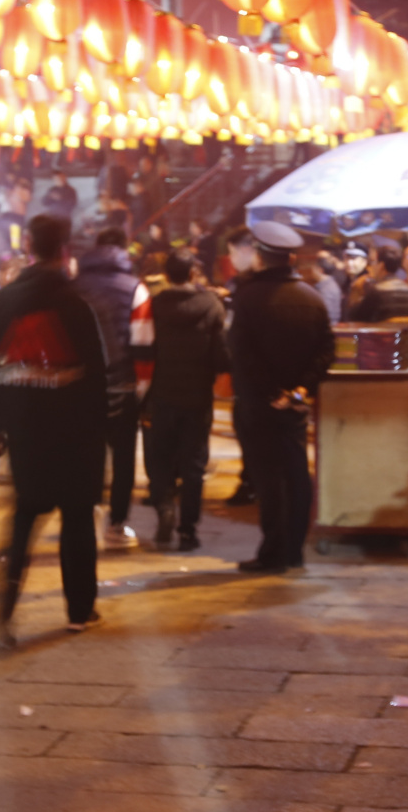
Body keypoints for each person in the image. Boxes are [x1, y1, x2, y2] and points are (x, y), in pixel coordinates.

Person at [0, 215, 109, 644]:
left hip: (26, 430)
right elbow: (96, 375)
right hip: (74, 432)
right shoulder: (78, 303)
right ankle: (79, 610)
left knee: (25, 517)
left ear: (29, 244)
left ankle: (6, 606)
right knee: (76, 520)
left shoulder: (3, 303)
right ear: (65, 247)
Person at [227, 221, 334, 574]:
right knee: (297, 475)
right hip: (296, 406)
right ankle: (293, 551)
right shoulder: (312, 298)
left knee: (268, 479)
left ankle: (272, 553)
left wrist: (273, 393)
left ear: (260, 256)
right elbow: (326, 352)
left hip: (259, 405)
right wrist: (299, 391)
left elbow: (242, 356)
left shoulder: (246, 298)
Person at [141, 250, 229, 550]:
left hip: (160, 394)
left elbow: (144, 349)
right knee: (193, 465)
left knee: (160, 456)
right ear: (193, 274)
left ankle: (165, 507)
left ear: (166, 276)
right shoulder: (212, 306)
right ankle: (188, 530)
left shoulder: (154, 306)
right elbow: (221, 356)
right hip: (197, 396)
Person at [72, 227, 151, 549]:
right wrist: (141, 391)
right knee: (122, 459)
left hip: (79, 389)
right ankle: (116, 526)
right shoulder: (137, 289)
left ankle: (84, 517)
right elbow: (144, 346)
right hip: (123, 387)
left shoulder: (73, 288)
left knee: (85, 454)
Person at [220, 226, 261, 507]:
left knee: (250, 433)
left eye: (233, 252)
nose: (231, 259)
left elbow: (235, 335)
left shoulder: (249, 289)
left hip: (251, 377)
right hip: (254, 376)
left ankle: (252, 483)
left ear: (247, 251)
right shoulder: (247, 287)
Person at [350, 247, 408, 323]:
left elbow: (357, 319)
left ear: (381, 265)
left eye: (373, 262)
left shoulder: (376, 292)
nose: (370, 267)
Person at [295, 242, 344, 325]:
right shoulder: (326, 285)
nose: (311, 271)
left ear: (319, 270)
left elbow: (325, 316)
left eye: (313, 269)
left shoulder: (326, 289)